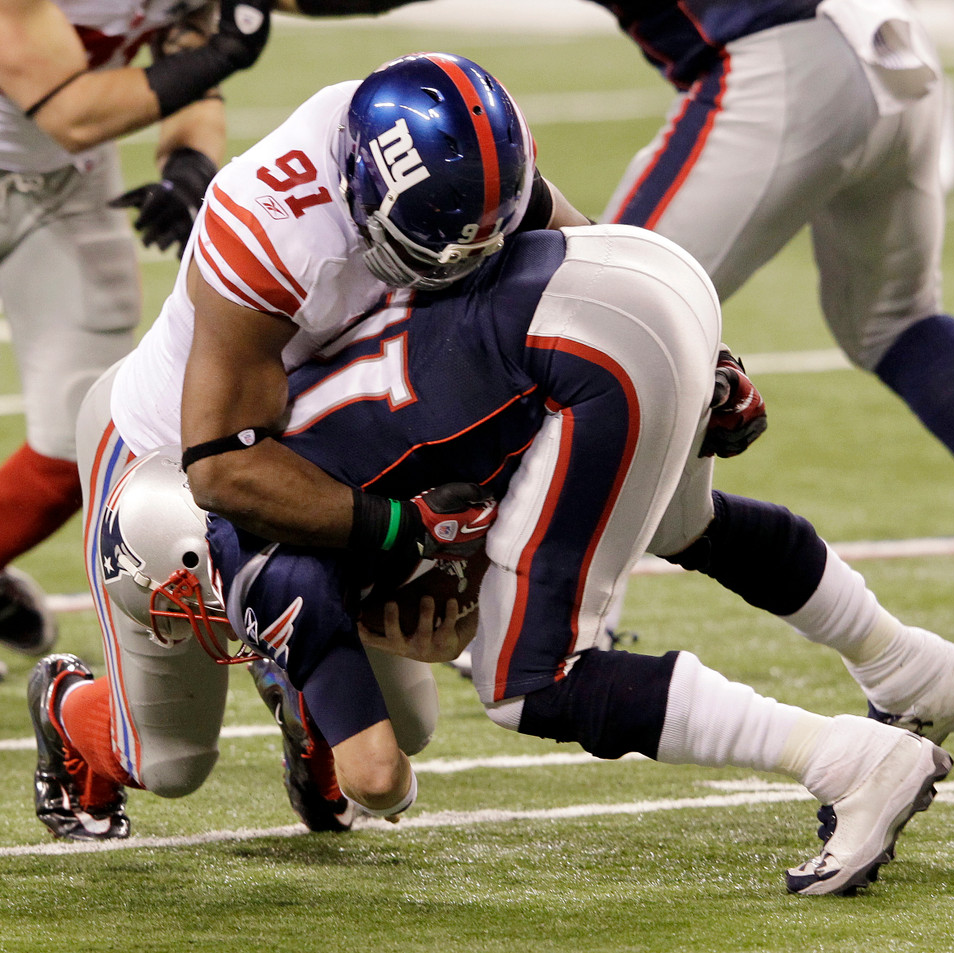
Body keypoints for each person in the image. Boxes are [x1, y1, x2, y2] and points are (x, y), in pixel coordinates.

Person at [204, 219, 954, 897]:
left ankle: (850, 760)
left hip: (588, 352)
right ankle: (905, 663)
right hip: (631, 268)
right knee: (683, 524)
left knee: (526, 681)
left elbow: (378, 778)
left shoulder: (253, 554)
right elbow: (460, 455)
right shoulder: (288, 415)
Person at [27, 51, 590, 840]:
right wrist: (403, 533)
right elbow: (222, 470)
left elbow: (591, 274)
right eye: (434, 251)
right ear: (361, 196)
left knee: (409, 722)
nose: (455, 271)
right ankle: (66, 710)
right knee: (167, 759)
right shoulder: (269, 230)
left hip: (322, 451)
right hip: (173, 467)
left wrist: (702, 363)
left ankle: (302, 702)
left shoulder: (457, 173)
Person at [589, 0, 954, 571]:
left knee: (600, 316)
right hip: (889, 40)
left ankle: (574, 624)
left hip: (780, 60)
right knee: (900, 322)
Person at [0, 0, 276, 660]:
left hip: (66, 182)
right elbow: (70, 110)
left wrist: (188, 165)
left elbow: (186, 53)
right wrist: (224, 52)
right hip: (64, 132)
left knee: (78, 436)